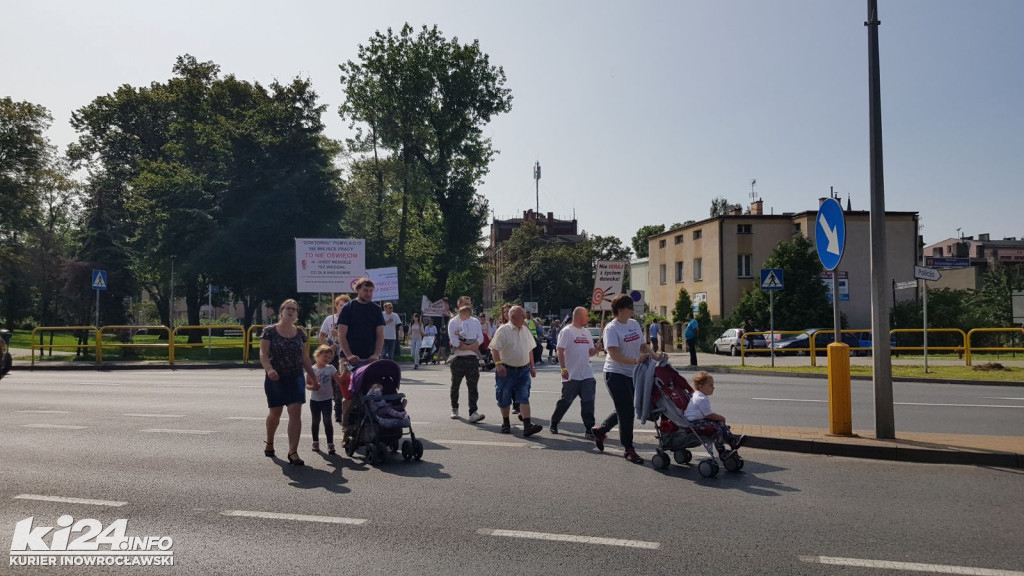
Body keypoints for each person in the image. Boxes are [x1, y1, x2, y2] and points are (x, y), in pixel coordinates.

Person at [592, 294, 651, 464]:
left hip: (633, 373)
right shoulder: (612, 328)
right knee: (627, 412)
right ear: (620, 310)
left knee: (623, 408)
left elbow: (643, 346)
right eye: (630, 307)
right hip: (615, 373)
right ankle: (628, 449)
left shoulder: (633, 324)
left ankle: (600, 430)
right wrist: (634, 360)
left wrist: (656, 356)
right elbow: (614, 354)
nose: (633, 310)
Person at [260, 299, 319, 466]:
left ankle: (293, 451)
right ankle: (270, 441)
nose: (291, 312)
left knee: (295, 412)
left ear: (297, 314)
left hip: (295, 377)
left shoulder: (300, 333)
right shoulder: (269, 331)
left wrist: (313, 376)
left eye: (294, 309)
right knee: (275, 414)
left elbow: (305, 357)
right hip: (275, 378)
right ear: (281, 311)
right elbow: (263, 354)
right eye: (288, 309)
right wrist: (269, 369)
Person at [336, 278, 385, 445]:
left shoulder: (376, 310)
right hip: (349, 357)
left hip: (369, 357)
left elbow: (379, 335)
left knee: (372, 392)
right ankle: (346, 431)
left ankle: (370, 427)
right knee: (350, 395)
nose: (369, 294)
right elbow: (341, 335)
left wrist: (377, 354)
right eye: (365, 291)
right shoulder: (348, 309)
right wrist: (349, 355)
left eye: (371, 291)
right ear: (358, 290)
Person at [489, 306, 543, 437]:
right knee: (504, 397)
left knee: (524, 396)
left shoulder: (525, 330)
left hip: (523, 370)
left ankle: (527, 425)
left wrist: (532, 366)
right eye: (522, 316)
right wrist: (498, 364)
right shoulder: (503, 330)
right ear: (513, 317)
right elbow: (494, 349)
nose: (525, 318)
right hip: (507, 371)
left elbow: (529, 349)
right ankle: (506, 423)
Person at [549, 307, 602, 437]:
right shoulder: (567, 331)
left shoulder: (587, 333)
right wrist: (563, 369)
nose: (588, 318)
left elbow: (590, 353)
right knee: (565, 401)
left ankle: (590, 428)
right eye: (586, 316)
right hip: (571, 374)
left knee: (588, 402)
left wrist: (596, 349)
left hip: (587, 374)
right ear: (578, 316)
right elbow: (560, 350)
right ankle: (554, 422)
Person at [684, 371, 746, 459]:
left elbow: (707, 415)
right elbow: (709, 415)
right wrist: (721, 417)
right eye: (710, 385)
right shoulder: (700, 398)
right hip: (693, 423)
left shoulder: (700, 395)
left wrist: (719, 420)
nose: (713, 387)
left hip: (699, 420)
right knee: (716, 428)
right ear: (701, 387)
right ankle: (722, 452)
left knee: (719, 423)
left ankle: (733, 441)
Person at [448, 298, 485, 423]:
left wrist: (474, 345)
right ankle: (454, 408)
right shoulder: (453, 322)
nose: (467, 307)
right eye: (464, 304)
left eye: (469, 305)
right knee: (455, 385)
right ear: (459, 306)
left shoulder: (475, 321)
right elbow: (453, 339)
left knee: (473, 386)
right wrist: (465, 346)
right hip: (458, 358)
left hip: (472, 358)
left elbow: (480, 337)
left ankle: (473, 412)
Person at [309, 345, 344, 454]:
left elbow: (339, 380)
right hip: (314, 400)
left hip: (327, 399)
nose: (327, 359)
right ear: (318, 355)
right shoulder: (312, 369)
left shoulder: (331, 368)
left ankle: (330, 444)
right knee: (315, 421)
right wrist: (312, 387)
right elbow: (307, 384)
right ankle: (315, 442)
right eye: (325, 356)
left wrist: (346, 370)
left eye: (329, 357)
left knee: (327, 421)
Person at [318, 295, 350, 369]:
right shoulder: (330, 319)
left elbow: (354, 337)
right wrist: (328, 347)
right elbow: (321, 336)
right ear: (336, 306)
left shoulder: (351, 320)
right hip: (332, 351)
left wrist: (338, 334)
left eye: (345, 305)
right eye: (341, 305)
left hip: (345, 352)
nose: (343, 308)